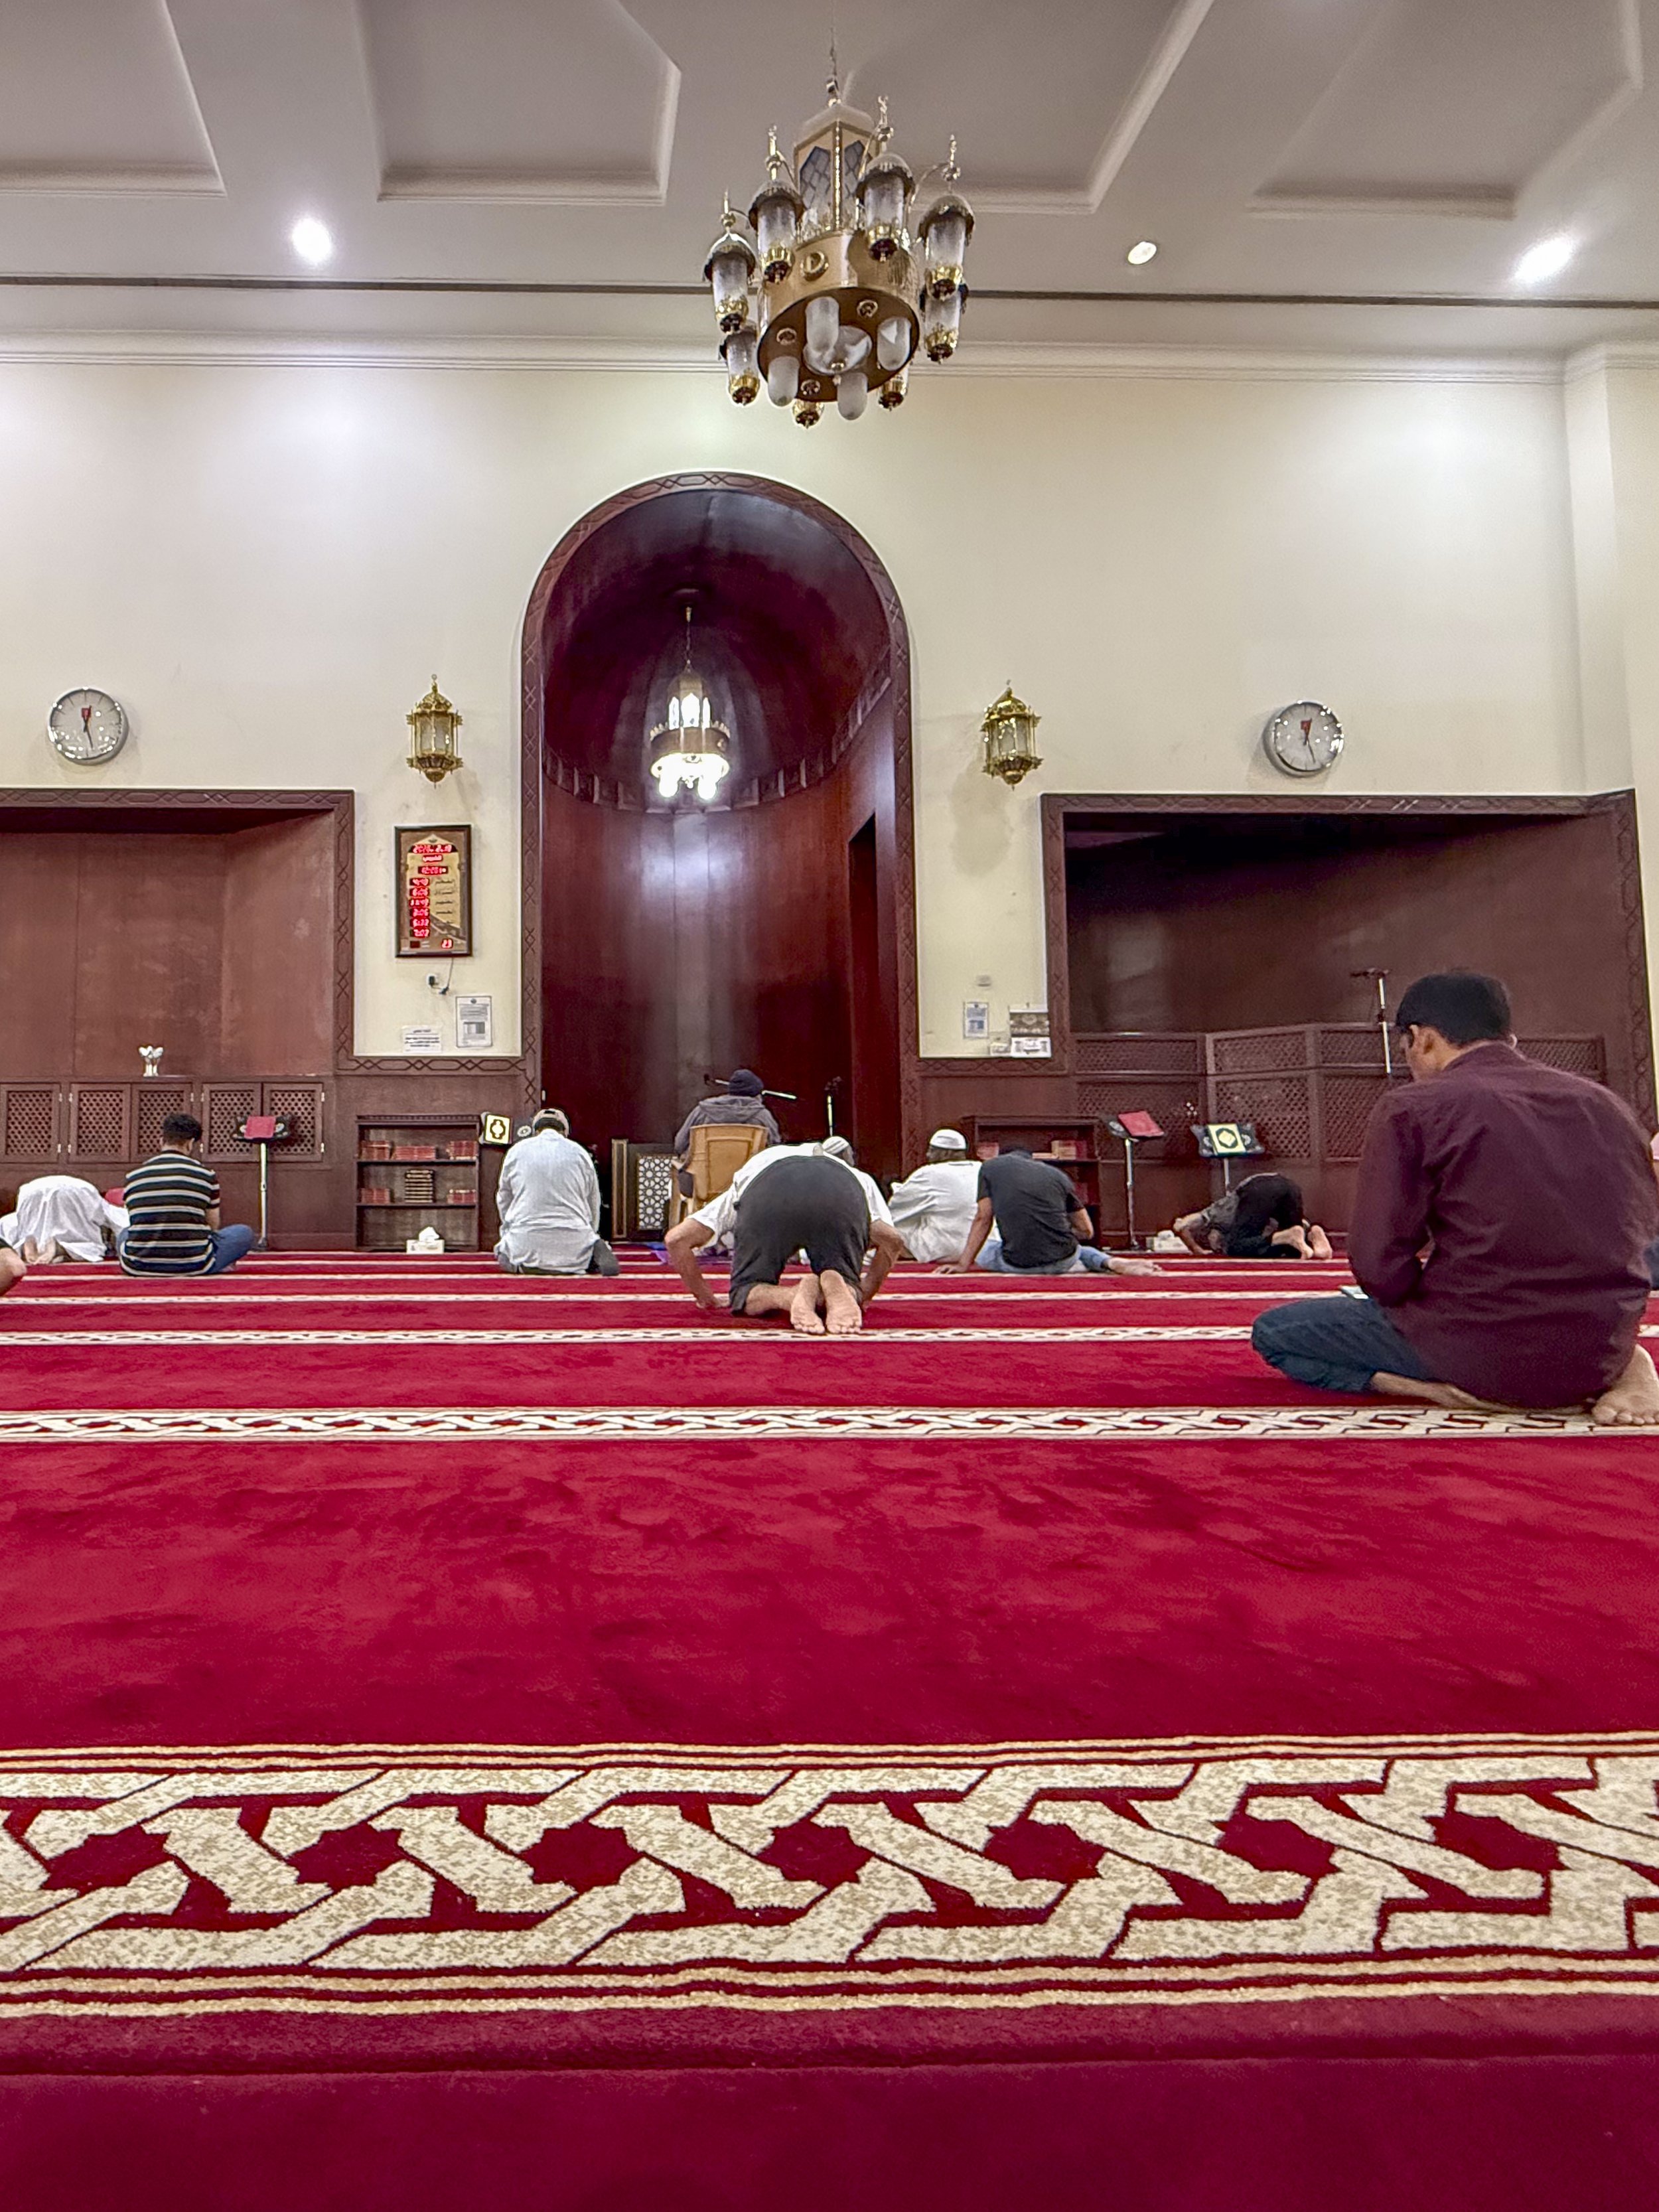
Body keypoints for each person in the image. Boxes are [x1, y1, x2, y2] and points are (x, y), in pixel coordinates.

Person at [1252, 970, 1659, 1424]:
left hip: (1478, 1350)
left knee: (1275, 1333)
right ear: (1510, 1037)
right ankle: (1628, 1362)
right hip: (1598, 1348)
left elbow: (1380, 1266)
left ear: (1420, 1040)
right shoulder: (1607, 1106)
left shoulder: (1414, 1107)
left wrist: (1419, 1305)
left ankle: (1445, 1390)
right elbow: (1641, 1232)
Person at [665, 1137, 905, 1334]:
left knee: (747, 1292)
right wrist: (863, 1293)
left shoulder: (753, 1170)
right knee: (846, 1282)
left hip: (769, 1191)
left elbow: (676, 1240)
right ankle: (840, 1285)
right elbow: (893, 1241)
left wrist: (706, 1299)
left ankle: (790, 1297)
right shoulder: (858, 1177)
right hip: (841, 1193)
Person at [949, 1145, 1157, 1277]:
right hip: (1063, 1261)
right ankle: (1109, 1262)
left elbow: (983, 1218)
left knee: (989, 1249)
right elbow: (1087, 1231)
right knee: (1082, 1252)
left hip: (1018, 1263)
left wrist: (963, 1264)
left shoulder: (990, 1167)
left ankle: (1101, 1262)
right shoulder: (1058, 1175)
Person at [119, 1114, 255, 1277]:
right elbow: (212, 1226)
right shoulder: (206, 1174)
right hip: (195, 1263)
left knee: (125, 1233)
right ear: (191, 1144)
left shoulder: (134, 1175)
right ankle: (214, 1264)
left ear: (161, 1140)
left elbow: (135, 1220)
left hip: (137, 1265)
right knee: (243, 1233)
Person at [494, 1108, 618, 1276]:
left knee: (504, 1252)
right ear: (564, 1131)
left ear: (535, 1130)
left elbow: (504, 1199)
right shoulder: (580, 1153)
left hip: (526, 1240)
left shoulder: (516, 1151)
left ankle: (522, 1264)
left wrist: (508, 1228)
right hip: (574, 1242)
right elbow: (593, 1202)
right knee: (586, 1238)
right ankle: (590, 1249)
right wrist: (591, 1233)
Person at [1173, 1173, 1333, 1260]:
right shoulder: (1248, 1226)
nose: (1217, 1247)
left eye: (1215, 1244)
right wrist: (1305, 1227)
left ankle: (1296, 1236)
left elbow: (1180, 1225)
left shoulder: (1217, 1214)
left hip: (1258, 1188)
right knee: (1292, 1250)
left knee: (1236, 1248)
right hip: (1289, 1186)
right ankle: (1315, 1237)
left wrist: (1196, 1250)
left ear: (1213, 1232)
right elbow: (1298, 1224)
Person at [887, 1128, 981, 1263]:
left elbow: (896, 1209)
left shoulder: (929, 1173)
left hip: (945, 1249)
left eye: (932, 1151)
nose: (928, 1155)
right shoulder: (981, 1168)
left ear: (946, 1153)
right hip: (981, 1248)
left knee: (889, 1232)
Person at [1, 1174, 127, 1264]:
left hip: (32, 1193)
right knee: (89, 1239)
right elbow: (122, 1226)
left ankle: (26, 1247)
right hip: (77, 1193)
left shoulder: (8, 1222)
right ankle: (65, 1249)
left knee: (13, 1230)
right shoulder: (107, 1205)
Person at [674, 1069, 781, 1158]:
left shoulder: (702, 1111)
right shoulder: (763, 1116)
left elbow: (680, 1145)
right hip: (751, 1181)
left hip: (705, 1180)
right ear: (757, 1095)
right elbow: (775, 1150)